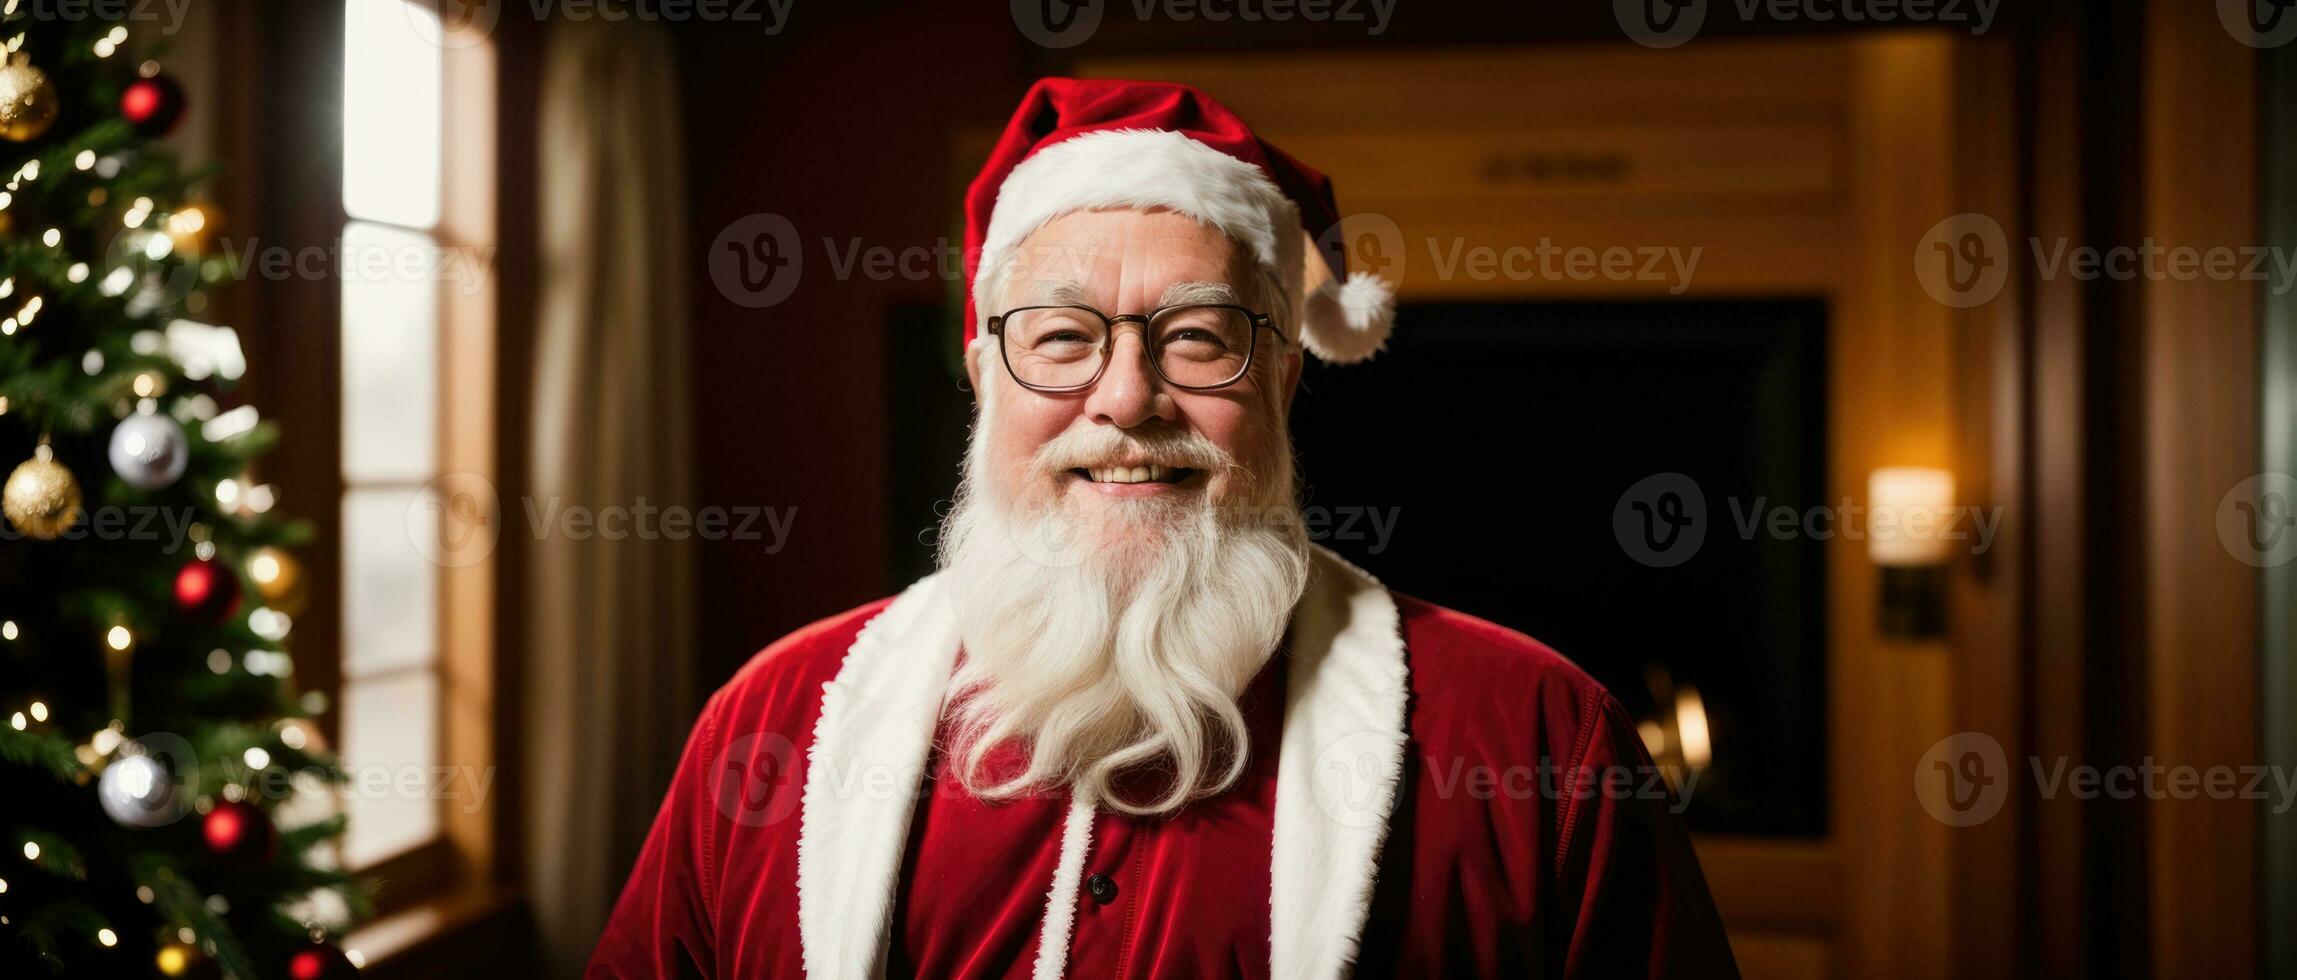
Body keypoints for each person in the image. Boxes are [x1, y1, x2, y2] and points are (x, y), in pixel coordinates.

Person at [589, 77, 1738, 979]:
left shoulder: (1536, 737)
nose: (1127, 398)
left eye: (1196, 336)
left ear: (1284, 377)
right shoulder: (770, 723)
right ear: (983, 371)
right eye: (1060, 336)